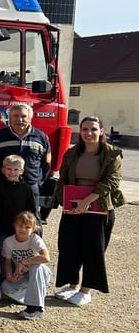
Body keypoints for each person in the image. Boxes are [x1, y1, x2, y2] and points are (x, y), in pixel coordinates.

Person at [54, 116, 123, 307]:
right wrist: (65, 202)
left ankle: (86, 290)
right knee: (69, 247)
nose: (89, 133)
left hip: (98, 209)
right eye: (85, 129)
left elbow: (111, 181)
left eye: (93, 129)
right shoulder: (72, 153)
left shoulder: (112, 154)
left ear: (101, 131)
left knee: (93, 249)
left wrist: (86, 202)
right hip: (73, 209)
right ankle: (72, 285)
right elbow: (63, 179)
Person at [0, 103, 51, 215]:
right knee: (1, 217)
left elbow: (46, 162)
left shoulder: (41, 137)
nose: (19, 119)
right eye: (15, 116)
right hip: (3, 186)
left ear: (30, 118)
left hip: (30, 186)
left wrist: (38, 180)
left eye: (23, 116)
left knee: (31, 218)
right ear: (9, 118)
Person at [1, 211, 51, 320]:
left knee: (35, 266)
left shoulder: (35, 239)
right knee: (5, 287)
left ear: (33, 229)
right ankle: (32, 296)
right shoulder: (8, 242)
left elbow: (46, 258)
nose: (23, 229)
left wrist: (23, 262)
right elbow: (7, 262)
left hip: (40, 273)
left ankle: (36, 308)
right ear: (14, 226)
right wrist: (9, 276)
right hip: (23, 275)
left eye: (27, 227)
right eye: (20, 226)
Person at [0, 154, 37, 248]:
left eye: (16, 169)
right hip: (2, 228)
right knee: (3, 251)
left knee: (20, 251)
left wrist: (32, 226)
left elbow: (31, 209)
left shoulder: (26, 189)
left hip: (21, 228)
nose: (12, 172)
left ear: (21, 171)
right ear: (3, 170)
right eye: (9, 169)